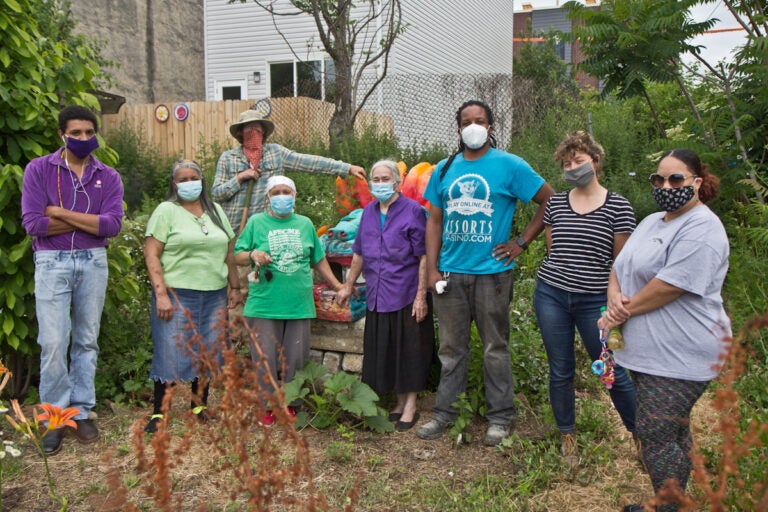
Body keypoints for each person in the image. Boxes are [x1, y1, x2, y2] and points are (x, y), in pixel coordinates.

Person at [416, 100, 555, 446]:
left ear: (491, 128)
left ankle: (501, 417)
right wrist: (431, 270)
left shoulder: (510, 166)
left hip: (493, 273)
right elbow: (434, 221)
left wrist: (521, 242)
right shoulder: (444, 169)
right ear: (458, 128)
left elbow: (550, 200)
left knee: (495, 346)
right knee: (451, 349)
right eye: (466, 121)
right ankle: (445, 414)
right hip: (451, 274)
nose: (473, 126)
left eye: (480, 121)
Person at [599, 149, 730, 512]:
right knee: (673, 432)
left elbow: (672, 284)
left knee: (654, 433)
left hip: (684, 352)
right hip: (649, 352)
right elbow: (619, 265)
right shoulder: (653, 221)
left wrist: (618, 313)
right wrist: (613, 297)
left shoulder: (703, 227)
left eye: (676, 179)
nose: (666, 186)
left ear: (696, 182)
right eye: (659, 179)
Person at [21, 105, 125, 455]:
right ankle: (54, 418)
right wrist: (89, 220)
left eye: (89, 132)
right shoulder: (39, 170)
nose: (83, 138)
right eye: (76, 133)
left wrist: (60, 213)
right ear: (61, 135)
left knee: (86, 339)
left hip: (93, 261)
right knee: (53, 341)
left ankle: (81, 411)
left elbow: (112, 226)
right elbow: (34, 224)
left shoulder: (107, 176)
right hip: (51, 261)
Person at [532, 131, 637, 467]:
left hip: (596, 303)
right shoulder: (557, 203)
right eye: (566, 163)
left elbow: (620, 265)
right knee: (560, 370)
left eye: (578, 160)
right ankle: (568, 438)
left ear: (595, 160)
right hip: (551, 295)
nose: (572, 167)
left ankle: (641, 436)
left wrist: (613, 307)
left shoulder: (619, 206)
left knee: (610, 370)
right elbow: (554, 250)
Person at [234, 176, 344, 427]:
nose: (281, 196)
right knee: (265, 359)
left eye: (286, 191)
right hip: (264, 303)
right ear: (267, 198)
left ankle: (291, 403)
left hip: (298, 302)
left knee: (296, 359)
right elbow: (237, 255)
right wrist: (253, 253)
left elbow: (318, 259)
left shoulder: (305, 224)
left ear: (294, 196)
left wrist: (337, 285)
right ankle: (267, 407)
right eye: (276, 192)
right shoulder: (256, 222)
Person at [335, 160, 434, 432]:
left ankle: (411, 404)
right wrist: (348, 284)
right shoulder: (367, 212)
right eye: (375, 179)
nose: (379, 183)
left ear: (397, 182)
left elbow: (423, 256)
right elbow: (359, 252)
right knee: (389, 349)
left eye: (384, 178)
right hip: (378, 294)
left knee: (410, 350)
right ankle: (399, 403)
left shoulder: (413, 212)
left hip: (406, 293)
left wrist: (420, 297)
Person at [143, 159, 242, 433]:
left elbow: (229, 253)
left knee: (208, 351)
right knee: (170, 349)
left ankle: (198, 407)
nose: (189, 183)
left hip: (214, 294)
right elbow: (151, 253)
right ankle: (159, 414)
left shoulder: (216, 211)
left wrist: (235, 287)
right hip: (176, 294)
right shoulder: (166, 211)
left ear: (202, 180)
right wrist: (160, 293)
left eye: (193, 177)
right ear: (174, 184)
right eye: (182, 179)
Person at [212, 110, 366, 233]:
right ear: (240, 133)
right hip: (235, 229)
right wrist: (239, 177)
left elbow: (310, 162)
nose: (253, 131)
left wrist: (346, 168)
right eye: (248, 127)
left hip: (267, 228)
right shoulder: (228, 158)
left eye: (257, 127)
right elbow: (216, 194)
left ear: (264, 132)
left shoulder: (276, 153)